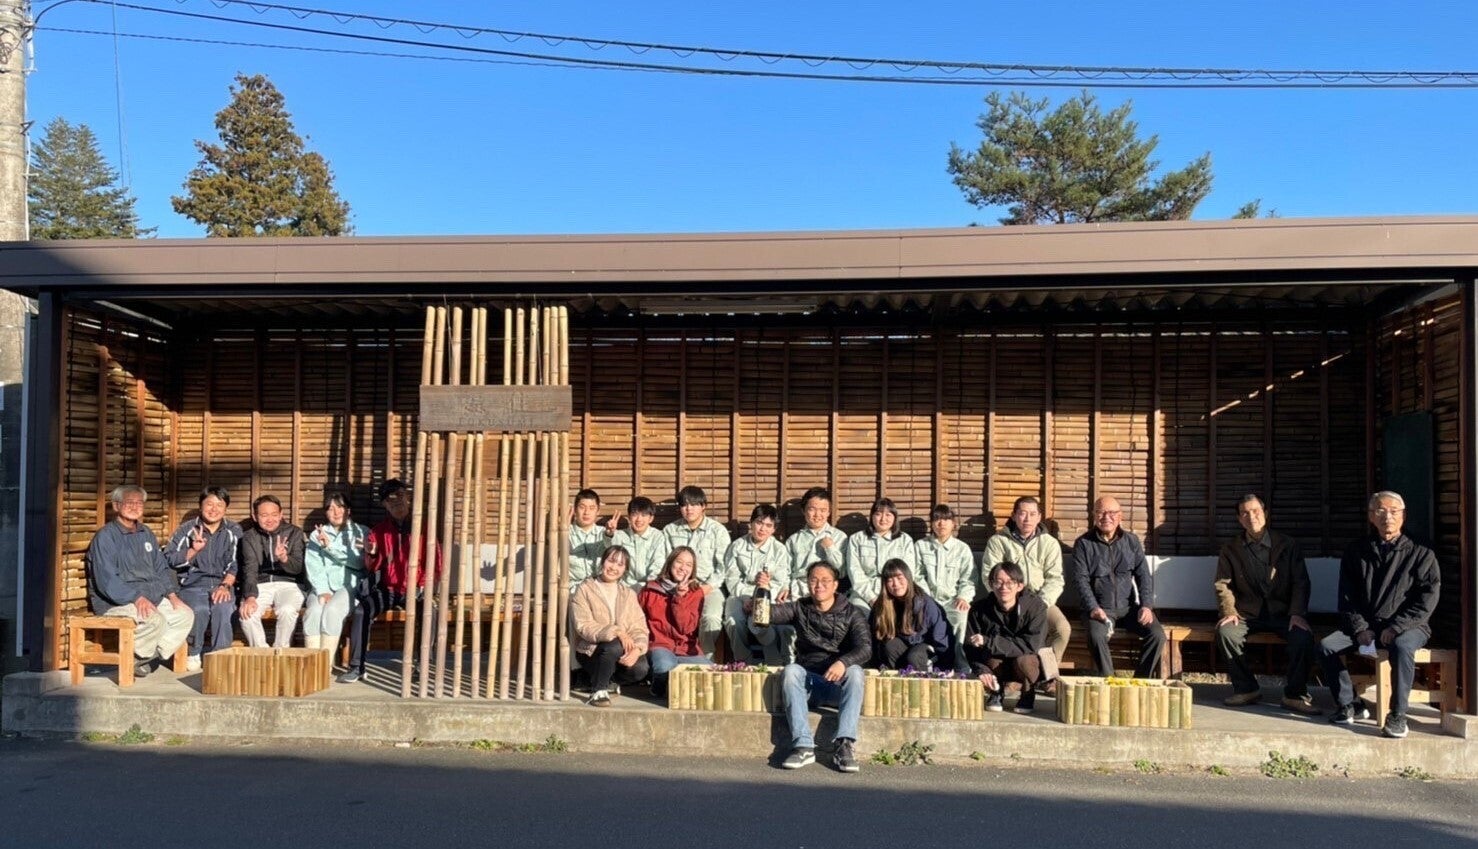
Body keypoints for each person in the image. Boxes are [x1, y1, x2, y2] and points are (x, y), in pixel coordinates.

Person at [1319, 491, 1441, 739]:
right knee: (1326, 646)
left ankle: (1398, 715)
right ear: (1371, 517)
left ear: (1403, 516)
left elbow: (1427, 599)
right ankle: (1350, 703)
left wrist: (1397, 627)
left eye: (1394, 511)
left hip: (1410, 626)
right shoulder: (1357, 550)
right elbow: (1347, 596)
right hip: (1367, 626)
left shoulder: (1421, 552)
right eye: (1380, 511)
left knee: (1402, 646)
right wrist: (1360, 628)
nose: (1388, 517)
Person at [1213, 494, 1320, 715]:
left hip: (1283, 613)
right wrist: (1229, 611)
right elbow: (1223, 584)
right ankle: (1246, 689)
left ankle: (1295, 695)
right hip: (1247, 614)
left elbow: (1301, 582)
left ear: (1265, 514)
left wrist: (1297, 613)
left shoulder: (1287, 545)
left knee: (1302, 638)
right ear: (1239, 519)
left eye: (1256, 511)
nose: (1251, 516)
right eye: (1245, 513)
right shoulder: (1231, 548)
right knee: (1226, 633)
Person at [769, 561, 871, 773]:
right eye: (814, 580)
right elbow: (765, 615)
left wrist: (843, 662)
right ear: (807, 583)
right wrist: (761, 591)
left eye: (825, 581)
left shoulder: (852, 613)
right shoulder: (800, 607)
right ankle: (803, 746)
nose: (819, 585)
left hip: (837, 687)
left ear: (835, 585)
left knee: (855, 672)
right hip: (809, 685)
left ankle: (844, 745)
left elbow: (865, 648)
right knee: (791, 671)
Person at [85, 485, 195, 677]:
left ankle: (146, 657)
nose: (135, 507)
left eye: (139, 503)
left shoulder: (146, 533)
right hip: (117, 602)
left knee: (185, 615)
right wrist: (136, 598)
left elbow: (161, 568)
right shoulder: (105, 537)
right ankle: (139, 658)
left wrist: (172, 595)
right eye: (129, 502)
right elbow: (107, 580)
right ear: (116, 506)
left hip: (151, 597)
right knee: (154, 620)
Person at [340, 479, 439, 684]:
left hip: (417, 588)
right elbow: (372, 567)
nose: (397, 502)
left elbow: (436, 561)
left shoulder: (424, 528)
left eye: (401, 496)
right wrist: (372, 553)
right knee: (362, 611)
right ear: (384, 504)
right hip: (389, 589)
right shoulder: (379, 531)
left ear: (408, 497)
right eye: (391, 499)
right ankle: (357, 666)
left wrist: (423, 585)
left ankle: (422, 665)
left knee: (430, 612)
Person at [1071, 495, 1165, 679]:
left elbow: (1143, 576)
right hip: (1099, 610)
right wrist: (1092, 607)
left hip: (1128, 608)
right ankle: (1109, 681)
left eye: (1112, 513)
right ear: (1094, 515)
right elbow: (1080, 580)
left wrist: (1146, 605)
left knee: (1157, 635)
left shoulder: (1131, 541)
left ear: (1120, 516)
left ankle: (1140, 681)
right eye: (1101, 512)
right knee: (1096, 636)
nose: (1106, 517)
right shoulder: (1083, 544)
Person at [982, 495, 1071, 668]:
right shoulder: (998, 541)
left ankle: (1047, 672)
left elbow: (1055, 578)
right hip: (1008, 601)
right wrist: (1008, 600)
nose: (1027, 519)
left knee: (1062, 629)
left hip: (1040, 600)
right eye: (1022, 513)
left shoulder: (1049, 543)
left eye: (1032, 514)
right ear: (1014, 516)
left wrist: (1041, 603)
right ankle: (1015, 673)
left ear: (1039, 517)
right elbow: (989, 576)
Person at [166, 486, 242, 672]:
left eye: (219, 505)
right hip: (192, 585)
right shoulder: (186, 530)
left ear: (225, 508)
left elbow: (237, 562)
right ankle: (193, 652)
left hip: (223, 583)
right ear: (201, 506)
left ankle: (220, 655)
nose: (213, 509)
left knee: (223, 608)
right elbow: (168, 558)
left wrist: (225, 585)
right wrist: (193, 550)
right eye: (209, 504)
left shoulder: (233, 530)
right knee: (198, 609)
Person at [570, 545, 651, 707]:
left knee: (641, 668)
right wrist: (617, 631)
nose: (614, 567)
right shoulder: (585, 589)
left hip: (620, 652)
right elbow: (583, 625)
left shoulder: (628, 594)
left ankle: (607, 681)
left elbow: (639, 627)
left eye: (620, 564)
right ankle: (598, 691)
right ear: (603, 562)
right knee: (613, 645)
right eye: (611, 561)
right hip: (592, 650)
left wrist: (637, 649)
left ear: (625, 569)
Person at [965, 561, 1048, 713]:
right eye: (998, 582)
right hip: (997, 664)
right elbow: (970, 647)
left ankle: (1028, 692)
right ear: (991, 584)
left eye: (1010, 583)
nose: (1004, 587)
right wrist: (982, 671)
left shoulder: (1036, 607)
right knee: (991, 659)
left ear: (1020, 586)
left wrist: (989, 642)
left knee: (1025, 660)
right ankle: (996, 691)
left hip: (1025, 662)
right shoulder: (978, 610)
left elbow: (1031, 645)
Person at [662, 485, 731, 656]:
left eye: (694, 504)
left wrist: (707, 587)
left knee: (711, 618)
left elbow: (724, 567)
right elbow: (665, 563)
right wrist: (677, 585)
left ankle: (705, 658)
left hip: (709, 587)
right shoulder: (670, 530)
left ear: (703, 506)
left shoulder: (717, 531)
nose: (689, 509)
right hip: (677, 586)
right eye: (684, 505)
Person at [638, 546, 714, 696]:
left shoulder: (696, 593)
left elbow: (686, 628)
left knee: (713, 672)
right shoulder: (650, 589)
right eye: (679, 562)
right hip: (660, 645)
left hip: (686, 649)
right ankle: (657, 686)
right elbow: (636, 619)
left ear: (692, 570)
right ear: (670, 563)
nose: (683, 568)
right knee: (665, 667)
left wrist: (680, 598)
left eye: (688, 565)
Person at [722, 503, 791, 664]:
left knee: (760, 622)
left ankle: (773, 660)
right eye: (759, 523)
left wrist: (759, 597)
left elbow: (780, 581)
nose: (762, 529)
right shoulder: (737, 546)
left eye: (768, 525)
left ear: (773, 529)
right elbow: (731, 578)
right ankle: (743, 661)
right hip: (739, 594)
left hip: (767, 595)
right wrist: (746, 598)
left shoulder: (779, 550)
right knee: (733, 621)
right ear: (751, 523)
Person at [302, 491, 369, 654]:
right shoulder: (317, 534)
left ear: (348, 510)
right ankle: (313, 661)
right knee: (313, 612)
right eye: (331, 509)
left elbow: (359, 563)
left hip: (350, 586)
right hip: (322, 585)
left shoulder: (361, 532)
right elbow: (314, 565)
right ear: (326, 513)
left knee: (332, 610)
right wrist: (323, 590)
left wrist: (330, 547)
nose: (336, 512)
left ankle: (326, 663)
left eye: (340, 507)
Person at [237, 494, 307, 649]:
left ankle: (281, 651)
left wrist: (284, 558)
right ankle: (262, 653)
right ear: (255, 516)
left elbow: (298, 568)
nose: (270, 519)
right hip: (260, 584)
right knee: (247, 614)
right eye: (264, 515)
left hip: (290, 584)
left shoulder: (294, 532)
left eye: (274, 514)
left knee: (287, 610)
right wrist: (250, 596)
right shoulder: (249, 537)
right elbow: (250, 568)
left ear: (281, 514)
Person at [914, 504, 976, 671]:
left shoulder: (962, 549)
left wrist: (963, 596)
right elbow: (917, 575)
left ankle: (960, 663)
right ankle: (930, 661)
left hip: (952, 600)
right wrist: (927, 598)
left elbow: (969, 578)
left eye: (946, 519)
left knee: (961, 616)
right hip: (927, 599)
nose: (941, 523)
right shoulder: (920, 546)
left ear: (953, 523)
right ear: (932, 523)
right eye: (937, 519)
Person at [870, 559, 952, 671]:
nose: (895, 584)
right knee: (890, 646)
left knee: (914, 657)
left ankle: (923, 680)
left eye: (899, 578)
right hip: (905, 647)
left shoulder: (925, 603)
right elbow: (874, 639)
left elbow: (941, 636)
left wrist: (944, 667)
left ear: (908, 578)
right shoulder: (882, 606)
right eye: (890, 580)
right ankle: (898, 678)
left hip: (928, 651)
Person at [844, 497, 916, 610]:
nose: (883, 519)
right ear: (872, 516)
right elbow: (854, 571)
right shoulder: (857, 539)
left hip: (895, 590)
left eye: (888, 515)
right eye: (878, 514)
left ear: (895, 517)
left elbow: (908, 572)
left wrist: (893, 593)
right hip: (863, 593)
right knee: (858, 612)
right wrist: (871, 598)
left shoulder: (905, 540)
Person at [784, 487, 847, 599]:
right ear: (803, 511)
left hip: (827, 593)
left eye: (823, 510)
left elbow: (842, 572)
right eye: (812, 509)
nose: (817, 514)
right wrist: (784, 587)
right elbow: (785, 570)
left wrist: (830, 549)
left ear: (829, 512)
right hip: (798, 592)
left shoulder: (839, 537)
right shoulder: (793, 540)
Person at [609, 496, 671, 591]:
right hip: (624, 588)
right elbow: (608, 544)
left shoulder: (658, 537)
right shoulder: (620, 535)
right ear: (629, 516)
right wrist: (609, 533)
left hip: (649, 588)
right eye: (635, 514)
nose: (639, 519)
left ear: (651, 518)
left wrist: (647, 587)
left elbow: (658, 566)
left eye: (644, 515)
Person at [568, 489, 609, 594]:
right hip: (573, 589)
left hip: (600, 588)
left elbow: (612, 546)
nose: (586, 512)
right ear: (575, 510)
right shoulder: (566, 531)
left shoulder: (604, 533)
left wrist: (610, 534)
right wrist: (564, 529)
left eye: (592, 508)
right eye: (582, 507)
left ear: (598, 511)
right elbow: (556, 545)